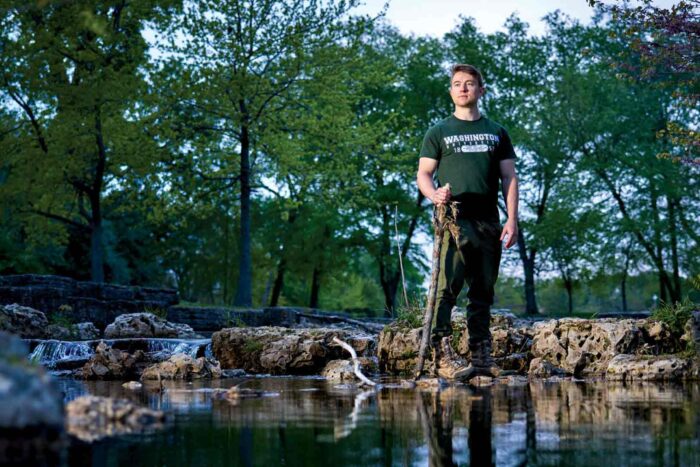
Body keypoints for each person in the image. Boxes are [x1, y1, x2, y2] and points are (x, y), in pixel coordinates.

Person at [416, 63, 519, 380]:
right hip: (454, 219)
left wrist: (512, 220)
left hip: (488, 219)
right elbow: (423, 174)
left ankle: (481, 355)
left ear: (481, 90)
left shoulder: (497, 132)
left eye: (470, 83)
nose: (463, 88)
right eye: (457, 83)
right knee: (448, 288)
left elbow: (509, 178)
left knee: (482, 292)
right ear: (450, 91)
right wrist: (434, 195)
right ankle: (442, 355)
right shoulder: (439, 132)